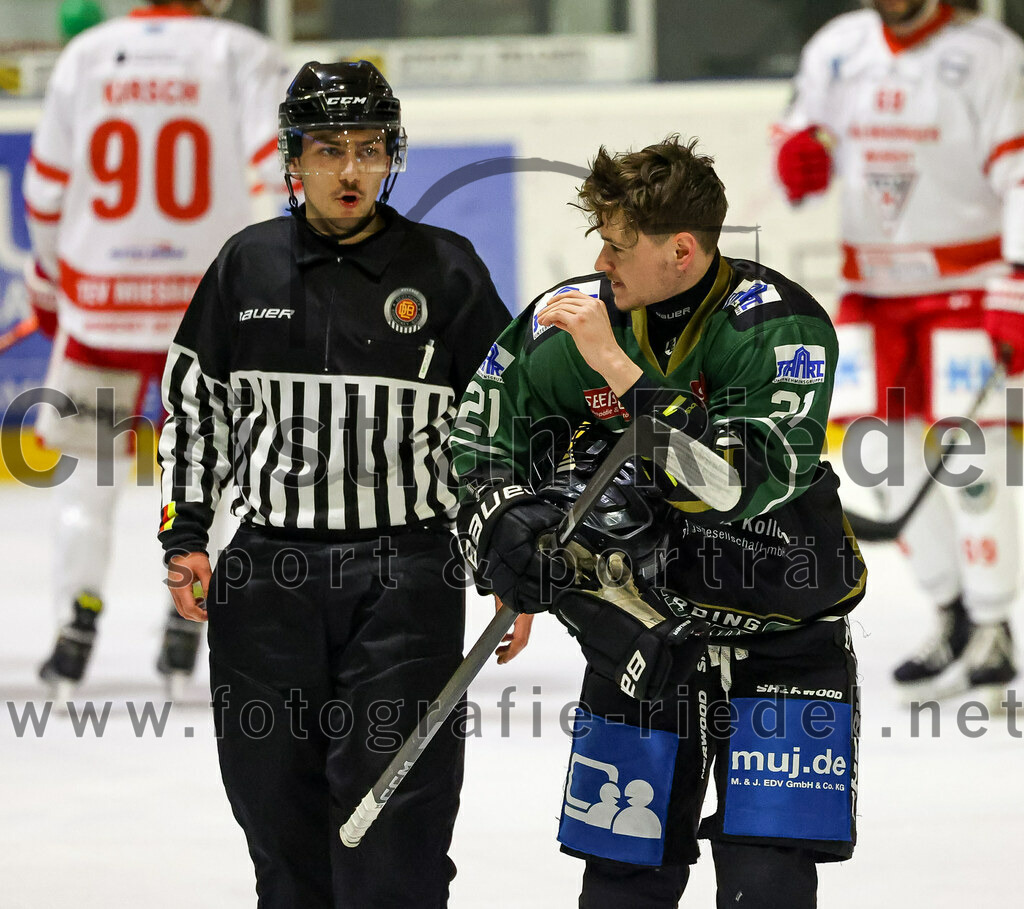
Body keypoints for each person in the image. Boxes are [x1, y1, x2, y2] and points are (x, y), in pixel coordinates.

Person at [450, 135, 867, 908]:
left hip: (785, 634)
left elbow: (737, 483)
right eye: (600, 242)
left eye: (618, 246)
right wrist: (505, 532)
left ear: (681, 249)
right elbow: (479, 439)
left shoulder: (781, 328)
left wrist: (620, 370)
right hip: (641, 637)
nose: (600, 262)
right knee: (622, 885)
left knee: (767, 886)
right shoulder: (570, 320)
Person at [158, 60, 515, 907]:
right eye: (328, 149)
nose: (350, 169)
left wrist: (506, 549)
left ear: (392, 156)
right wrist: (186, 534)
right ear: (293, 158)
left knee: (394, 824)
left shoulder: (448, 269)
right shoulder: (245, 264)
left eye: (368, 148)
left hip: (408, 576)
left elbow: (500, 428)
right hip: (265, 578)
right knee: (277, 822)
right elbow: (196, 410)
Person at [22, 0, 289, 697]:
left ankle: (75, 626)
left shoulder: (86, 55)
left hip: (102, 307)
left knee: (88, 477)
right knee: (208, 468)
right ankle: (186, 621)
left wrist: (50, 283)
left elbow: (44, 193)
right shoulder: (240, 51)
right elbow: (281, 176)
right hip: (204, 311)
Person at [774, 0, 1024, 698]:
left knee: (971, 464)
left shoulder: (992, 53)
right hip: (872, 292)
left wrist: (1017, 279)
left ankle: (994, 625)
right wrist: (796, 160)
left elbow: (1020, 171)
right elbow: (799, 136)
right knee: (882, 461)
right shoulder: (838, 47)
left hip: (967, 288)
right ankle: (950, 613)